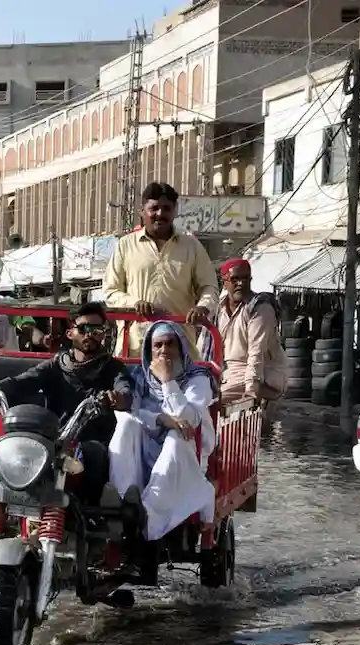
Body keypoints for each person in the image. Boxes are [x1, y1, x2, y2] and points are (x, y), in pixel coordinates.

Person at [110, 321, 217, 542]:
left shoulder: (198, 377)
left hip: (189, 451)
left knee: (175, 436)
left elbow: (189, 420)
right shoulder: (140, 376)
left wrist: (168, 380)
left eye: (170, 344)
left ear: (181, 348)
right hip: (147, 445)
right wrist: (161, 419)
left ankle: (147, 515)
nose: (164, 351)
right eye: (157, 345)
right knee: (126, 424)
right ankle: (123, 501)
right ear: (149, 350)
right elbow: (133, 412)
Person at [0, 301, 132, 444]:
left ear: (103, 334)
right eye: (83, 328)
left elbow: (125, 391)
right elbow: (24, 381)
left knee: (94, 455)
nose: (90, 334)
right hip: (54, 439)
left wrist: (117, 398)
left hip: (95, 442)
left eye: (96, 330)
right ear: (70, 333)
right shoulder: (56, 364)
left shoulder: (113, 367)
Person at [103, 181, 220, 358]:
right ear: (142, 212)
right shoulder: (125, 245)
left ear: (175, 211)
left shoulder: (191, 246)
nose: (160, 214)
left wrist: (203, 307)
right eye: (154, 208)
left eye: (166, 208)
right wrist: (134, 303)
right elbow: (110, 291)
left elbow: (209, 287)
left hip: (179, 348)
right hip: (135, 348)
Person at [216, 258, 285, 403]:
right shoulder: (219, 310)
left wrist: (252, 388)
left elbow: (257, 352)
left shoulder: (260, 308)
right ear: (224, 282)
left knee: (210, 401)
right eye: (235, 279)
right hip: (229, 376)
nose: (241, 283)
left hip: (261, 376)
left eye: (245, 279)